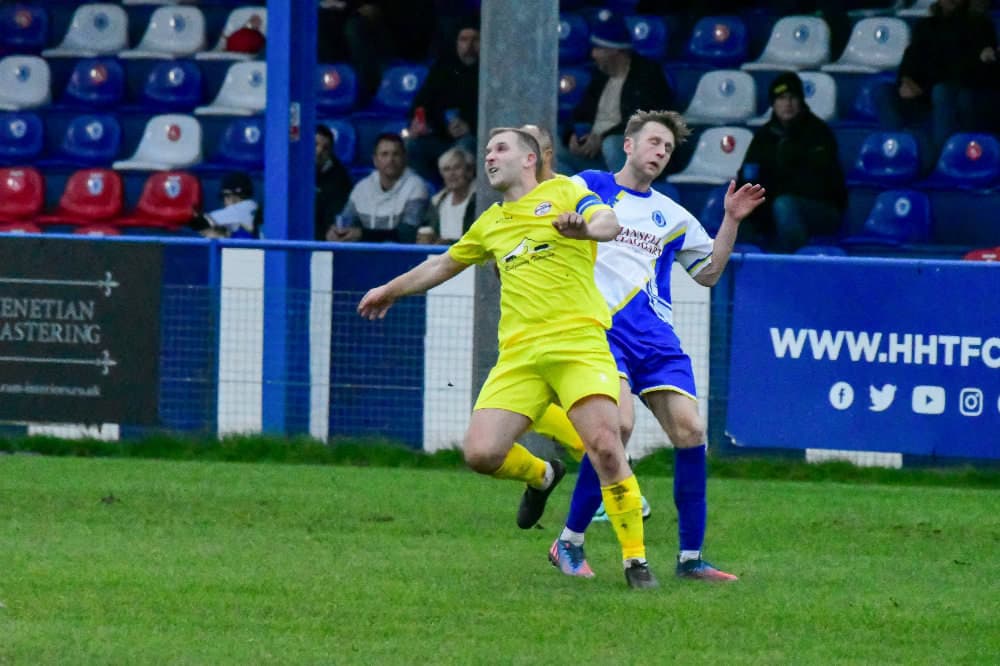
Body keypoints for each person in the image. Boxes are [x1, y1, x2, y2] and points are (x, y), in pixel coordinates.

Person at [358, 127, 659, 589]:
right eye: (487, 150)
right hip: (520, 355)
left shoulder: (565, 191)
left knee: (605, 444)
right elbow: (442, 264)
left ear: (529, 159)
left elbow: (608, 223)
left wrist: (583, 228)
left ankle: (636, 562)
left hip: (577, 343)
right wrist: (389, 290)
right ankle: (543, 474)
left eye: (500, 148)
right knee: (481, 453)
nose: (490, 157)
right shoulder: (491, 221)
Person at [542, 111, 765, 582]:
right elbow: (544, 214)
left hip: (656, 340)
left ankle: (691, 559)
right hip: (602, 330)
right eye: (654, 142)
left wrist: (730, 220)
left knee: (691, 431)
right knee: (617, 427)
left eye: (667, 148)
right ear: (628, 145)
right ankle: (569, 541)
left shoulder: (673, 214)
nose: (661, 152)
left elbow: (708, 274)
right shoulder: (590, 185)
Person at [875, 0, 998, 163]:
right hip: (923, 96)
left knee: (942, 91)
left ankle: (942, 159)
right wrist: (905, 81)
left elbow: (973, 72)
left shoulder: (979, 25)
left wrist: (923, 87)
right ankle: (900, 153)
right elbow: (909, 62)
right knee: (883, 91)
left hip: (955, 96)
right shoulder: (924, 26)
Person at [736, 72, 846, 253]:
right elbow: (748, 174)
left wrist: (772, 189)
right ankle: (747, 263)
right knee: (739, 206)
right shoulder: (764, 135)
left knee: (784, 205)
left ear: (801, 101)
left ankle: (792, 262)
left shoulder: (818, 133)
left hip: (821, 209)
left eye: (792, 98)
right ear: (773, 103)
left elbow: (818, 185)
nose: (787, 104)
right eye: (781, 98)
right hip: (773, 202)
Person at [558, 12, 675, 175]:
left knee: (612, 144)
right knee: (552, 146)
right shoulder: (600, 77)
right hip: (595, 151)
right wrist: (571, 137)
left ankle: (624, 189)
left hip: (623, 148)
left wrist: (602, 138)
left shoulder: (648, 75)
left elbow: (644, 120)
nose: (593, 55)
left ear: (616, 51)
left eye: (599, 49)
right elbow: (580, 113)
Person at [405, 18, 480, 183]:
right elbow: (420, 105)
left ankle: (462, 194)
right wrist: (419, 124)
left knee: (464, 147)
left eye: (475, 39)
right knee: (412, 145)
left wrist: (470, 127)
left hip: (474, 141)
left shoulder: (489, 72)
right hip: (440, 139)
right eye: (464, 39)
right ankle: (426, 192)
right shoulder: (442, 68)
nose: (469, 46)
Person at [326, 132, 428, 243]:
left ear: (405, 158)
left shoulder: (416, 186)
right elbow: (346, 220)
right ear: (375, 160)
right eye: (384, 154)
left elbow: (408, 233)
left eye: (396, 154)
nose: (390, 159)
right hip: (365, 252)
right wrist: (337, 232)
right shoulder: (362, 188)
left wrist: (362, 234)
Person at [416, 146, 476, 244]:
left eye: (457, 168)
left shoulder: (479, 199)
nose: (451, 174)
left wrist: (446, 243)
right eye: (446, 169)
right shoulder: (437, 202)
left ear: (469, 171)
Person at [188, 171, 261, 239]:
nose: (224, 201)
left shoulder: (238, 210)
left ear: (231, 196)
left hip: (247, 246)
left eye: (225, 196)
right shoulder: (255, 206)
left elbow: (201, 223)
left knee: (212, 233)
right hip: (259, 246)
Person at [315, 124, 353, 241]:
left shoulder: (339, 179)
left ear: (331, 152)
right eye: (315, 145)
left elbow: (336, 218)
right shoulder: (293, 171)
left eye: (325, 148)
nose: (319, 151)